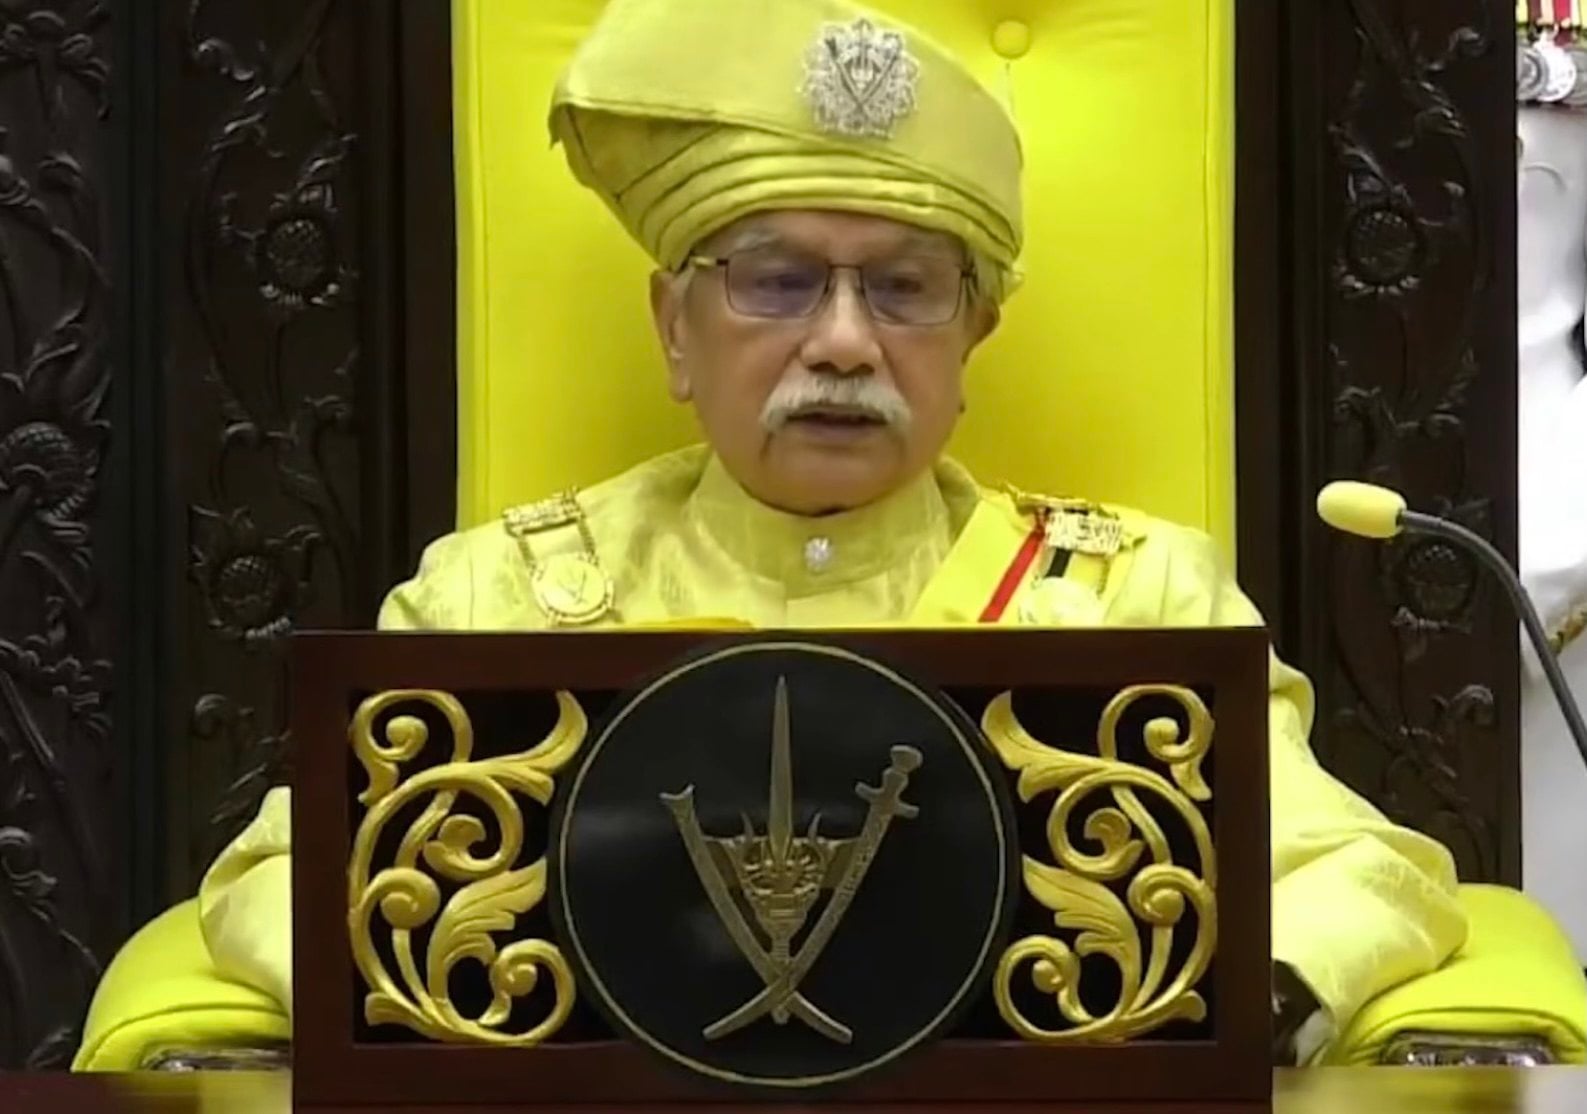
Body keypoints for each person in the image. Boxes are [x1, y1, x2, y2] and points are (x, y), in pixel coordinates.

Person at [197, 0, 1466, 1067]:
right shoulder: (501, 594)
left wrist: (1238, 1021)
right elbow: (280, 879)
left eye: (905, 286)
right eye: (778, 278)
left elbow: (1364, 867)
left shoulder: (1134, 597)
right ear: (672, 326)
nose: (846, 342)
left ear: (972, 336)